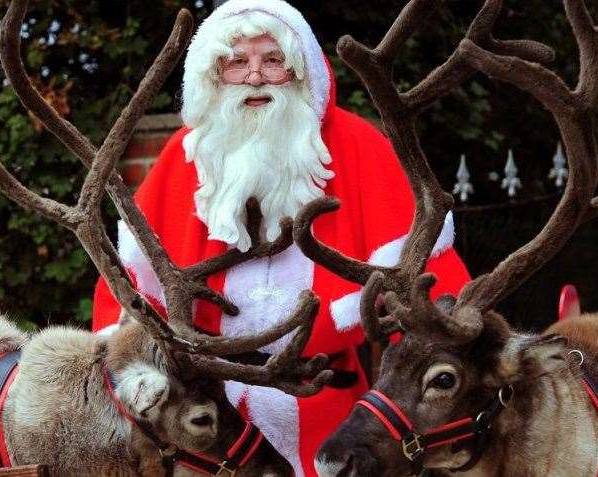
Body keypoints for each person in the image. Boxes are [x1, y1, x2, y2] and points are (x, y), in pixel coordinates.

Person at [92, 0, 471, 474]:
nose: (255, 77)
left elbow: (433, 291)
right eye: (236, 62)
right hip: (212, 423)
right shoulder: (180, 159)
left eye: (272, 60)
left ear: (300, 71)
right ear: (214, 75)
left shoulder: (359, 146)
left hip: (331, 404)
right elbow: (127, 294)